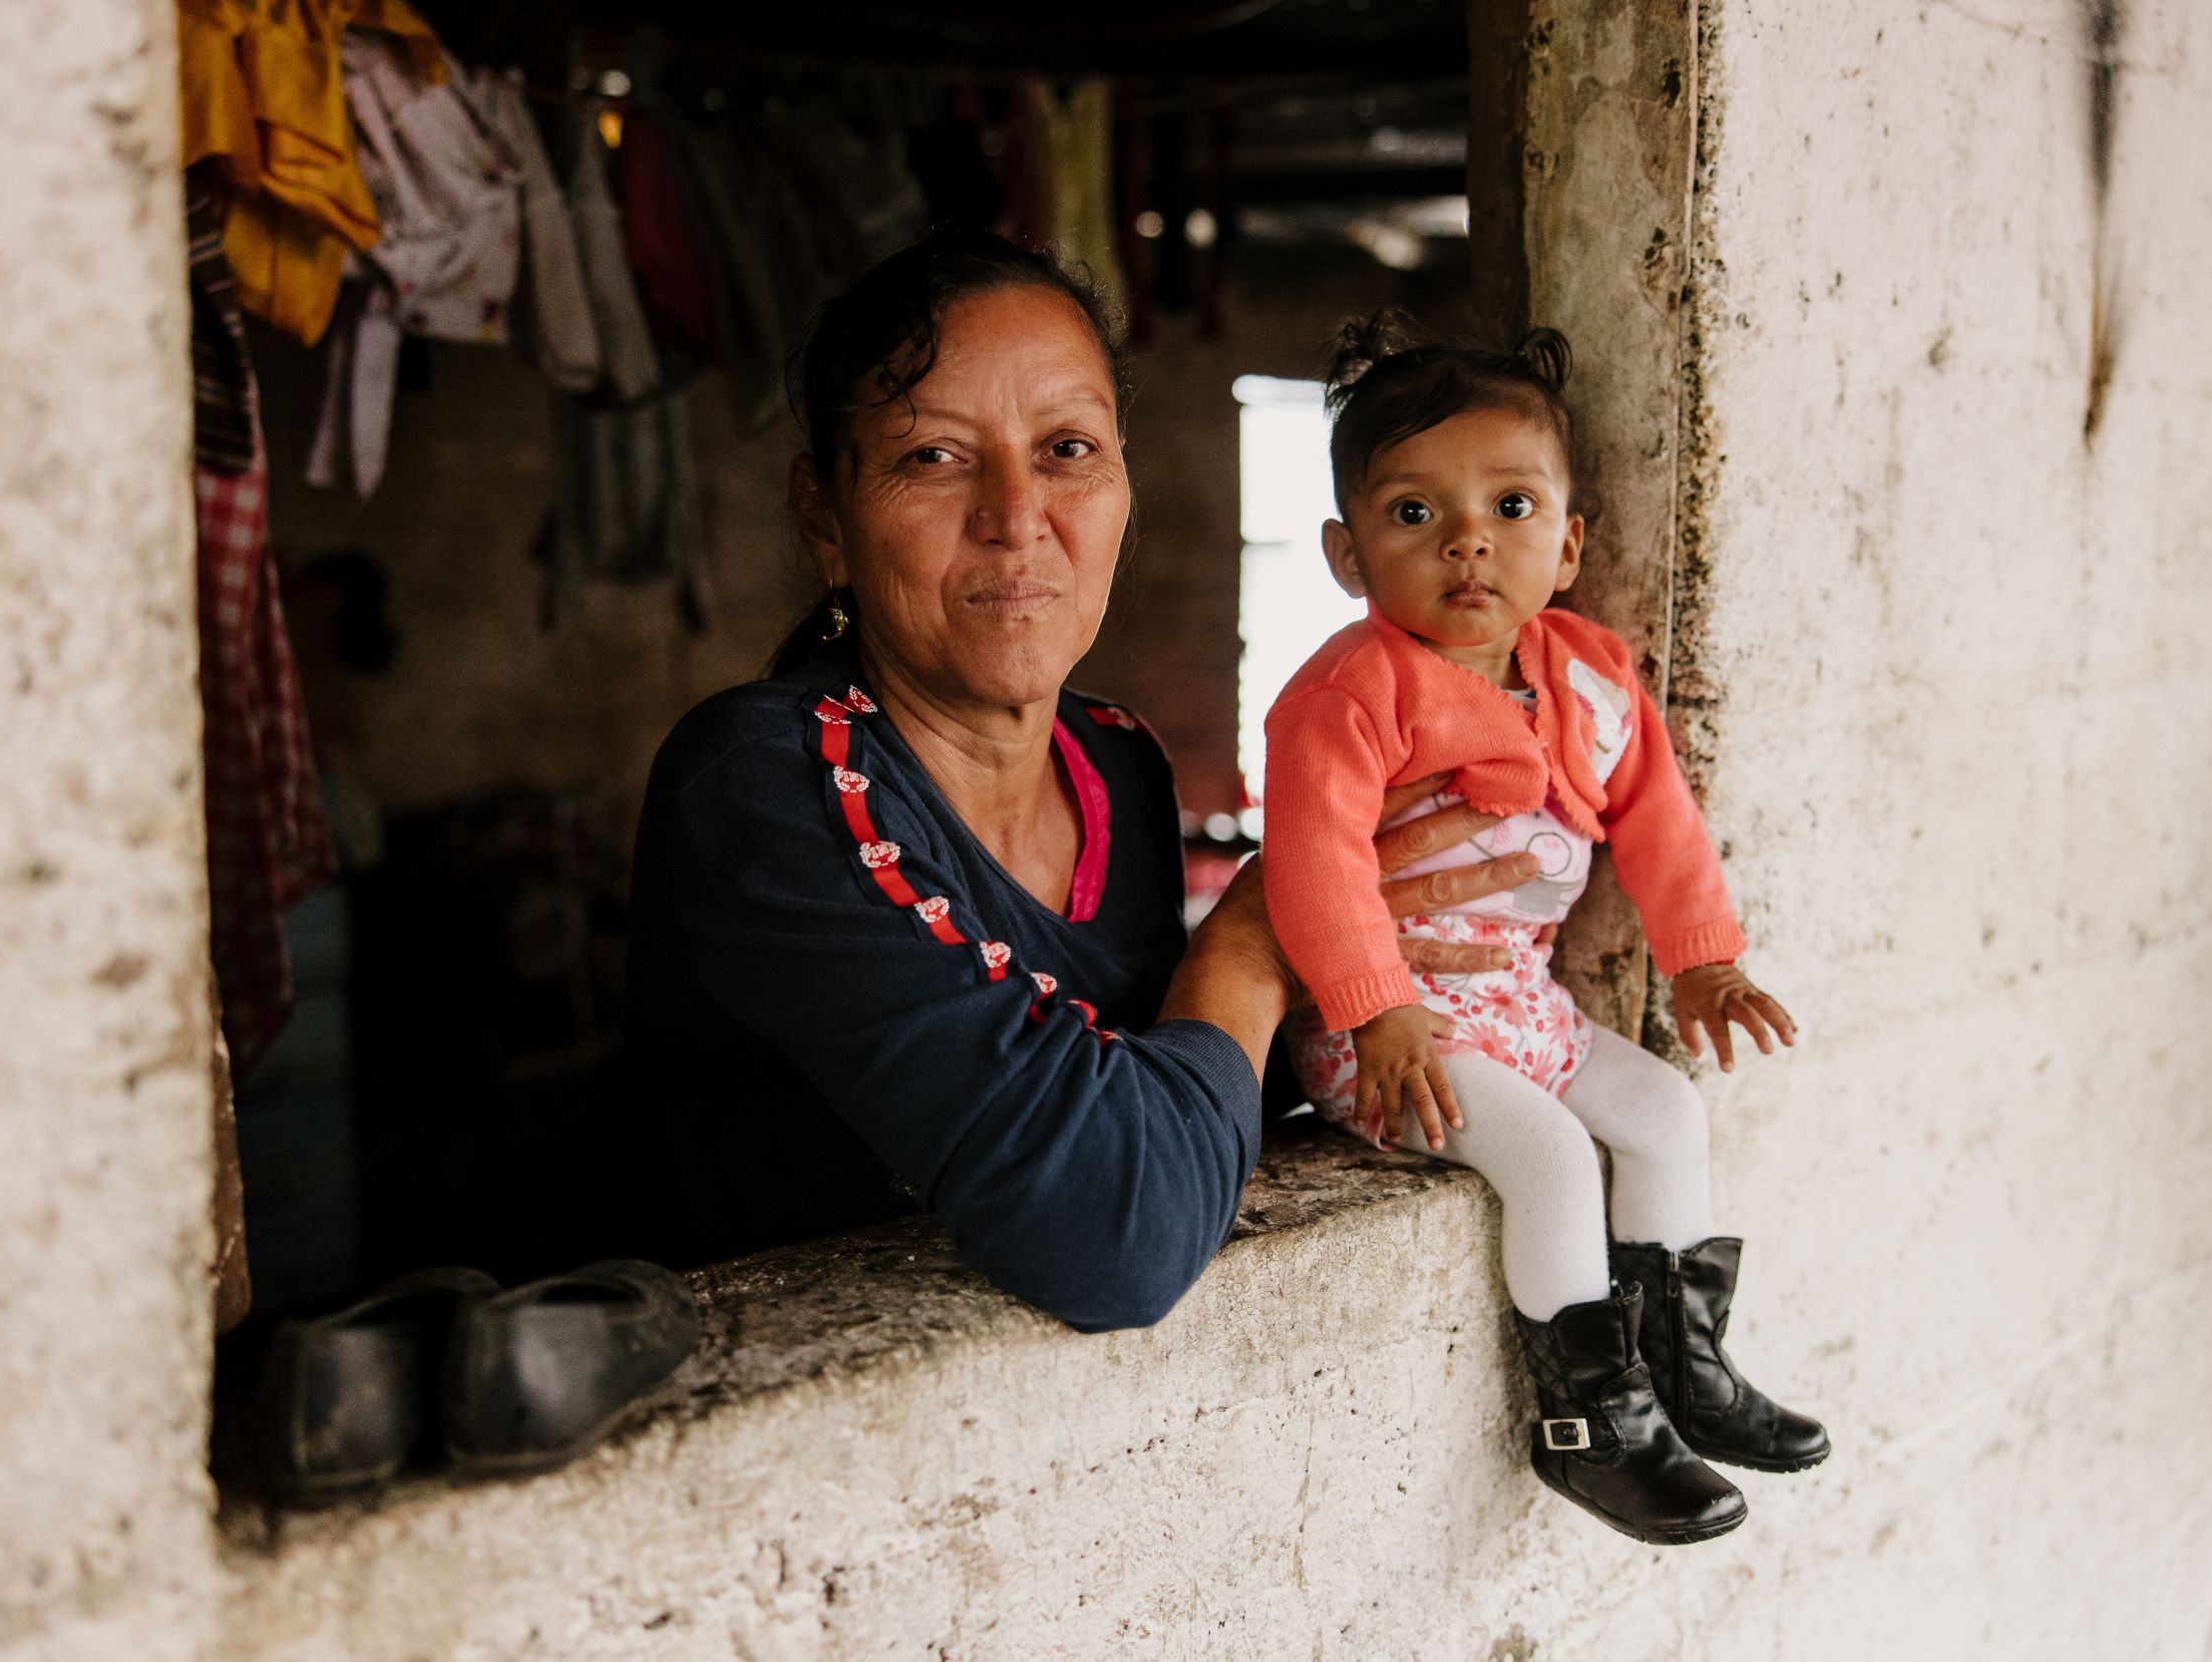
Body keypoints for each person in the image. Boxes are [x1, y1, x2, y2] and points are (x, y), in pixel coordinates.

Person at [620, 233, 1551, 1332]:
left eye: (1066, 447)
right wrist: (1260, 928)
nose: (1017, 515)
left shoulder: (1115, 757)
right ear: (825, 518)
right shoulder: (764, 781)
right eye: (932, 457)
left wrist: (1354, 972)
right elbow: (1120, 1231)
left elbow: (1179, 1086)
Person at [1260, 312, 1831, 1545]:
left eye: (1510, 506)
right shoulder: (1351, 692)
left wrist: (1705, 959)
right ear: (1347, 555)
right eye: (1414, 514)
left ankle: (1686, 1369)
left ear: (1568, 544)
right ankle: (1588, 1427)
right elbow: (1311, 862)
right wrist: (1375, 1005)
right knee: (1555, 1160)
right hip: (1395, 1032)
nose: (1469, 537)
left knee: (1668, 1112)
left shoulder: (1587, 677)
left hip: (1517, 1005)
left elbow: (1659, 821)